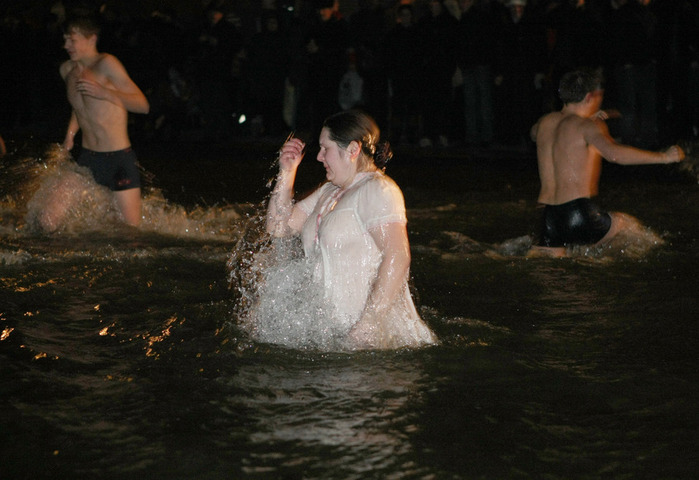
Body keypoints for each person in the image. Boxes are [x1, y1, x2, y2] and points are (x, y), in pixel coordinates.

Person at [265, 110, 437, 350]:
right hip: (337, 337)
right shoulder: (328, 192)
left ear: (353, 150)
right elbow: (277, 227)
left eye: (326, 149)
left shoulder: (378, 190)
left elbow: (398, 257)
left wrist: (368, 326)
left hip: (378, 343)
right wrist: (287, 172)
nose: (319, 157)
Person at [530, 69, 685, 255]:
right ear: (589, 97)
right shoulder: (588, 126)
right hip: (578, 213)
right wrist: (665, 157)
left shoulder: (543, 124)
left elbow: (536, 134)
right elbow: (614, 154)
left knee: (555, 278)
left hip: (545, 217)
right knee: (631, 230)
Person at [39, 14, 149, 232]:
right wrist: (70, 135)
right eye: (65, 39)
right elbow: (80, 106)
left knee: (129, 234)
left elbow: (143, 105)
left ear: (91, 39)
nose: (66, 45)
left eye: (72, 39)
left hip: (119, 161)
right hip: (88, 159)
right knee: (47, 221)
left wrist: (106, 92)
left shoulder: (107, 64)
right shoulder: (66, 70)